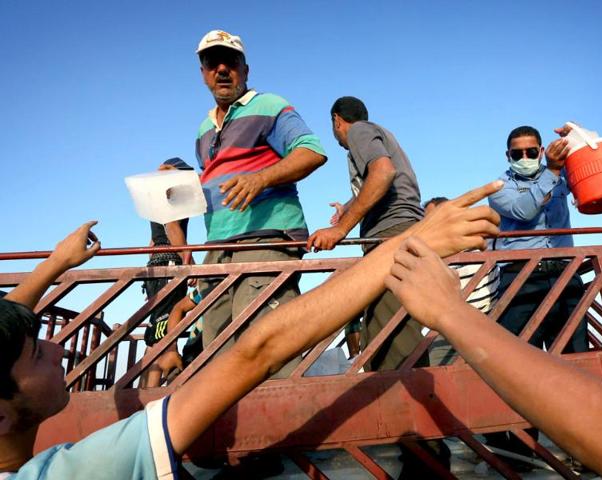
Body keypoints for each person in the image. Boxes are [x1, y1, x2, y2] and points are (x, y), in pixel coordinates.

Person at [0, 181, 502, 479]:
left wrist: (54, 266)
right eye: (36, 356)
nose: (55, 346)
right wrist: (407, 245)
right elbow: (256, 352)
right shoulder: (84, 470)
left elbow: (9, 324)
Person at [385, 236, 602, 480]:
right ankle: (517, 450)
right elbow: (517, 207)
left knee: (552, 365)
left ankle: (520, 450)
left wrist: (451, 312)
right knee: (482, 384)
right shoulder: (452, 261)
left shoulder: (479, 258)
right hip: (468, 318)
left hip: (483, 316)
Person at [193, 30, 326, 369]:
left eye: (231, 62)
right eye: (212, 62)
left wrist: (261, 178)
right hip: (217, 249)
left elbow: (311, 151)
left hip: (264, 240)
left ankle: (284, 421)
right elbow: (213, 181)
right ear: (203, 72)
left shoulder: (268, 105)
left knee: (266, 351)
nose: (222, 69)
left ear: (246, 70)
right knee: (216, 361)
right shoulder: (202, 130)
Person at [486, 125, 589, 467]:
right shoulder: (500, 189)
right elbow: (524, 211)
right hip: (520, 280)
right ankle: (521, 452)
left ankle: (587, 450)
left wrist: (580, 135)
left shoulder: (561, 176)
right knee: (519, 368)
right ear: (508, 156)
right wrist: (554, 172)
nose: (526, 158)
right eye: (518, 153)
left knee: (578, 365)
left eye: (532, 152)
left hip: (563, 274)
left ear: (542, 150)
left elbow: (591, 177)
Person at [307, 96, 425, 372]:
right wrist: (346, 208)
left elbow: (383, 173)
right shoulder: (378, 134)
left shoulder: (360, 130)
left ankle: (405, 411)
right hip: (395, 233)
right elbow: (378, 184)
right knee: (380, 332)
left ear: (337, 120)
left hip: (392, 234)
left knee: (394, 339)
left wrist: (340, 229)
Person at [423, 197, 499, 366]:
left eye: (432, 218)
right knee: (442, 379)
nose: (427, 224)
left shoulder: (481, 238)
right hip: (445, 327)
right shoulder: (428, 249)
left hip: (485, 321)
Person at [141, 157, 194, 388]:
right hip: (170, 265)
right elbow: (172, 228)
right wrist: (188, 261)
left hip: (156, 265)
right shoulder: (173, 199)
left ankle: (141, 395)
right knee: (164, 337)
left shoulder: (155, 201)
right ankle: (150, 398)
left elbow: (153, 242)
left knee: (154, 339)